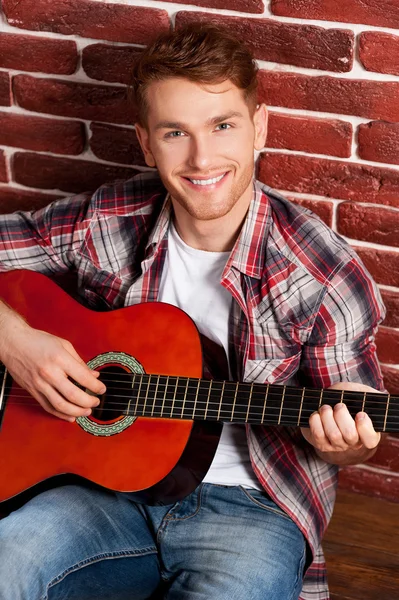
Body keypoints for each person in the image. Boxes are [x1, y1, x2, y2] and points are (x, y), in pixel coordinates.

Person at [0, 23, 385, 600]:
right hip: (100, 489)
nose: (202, 157)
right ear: (145, 141)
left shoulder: (324, 270)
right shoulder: (106, 220)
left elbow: (359, 432)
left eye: (222, 125)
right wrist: (15, 342)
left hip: (252, 510)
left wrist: (350, 443)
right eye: (175, 132)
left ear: (259, 127)